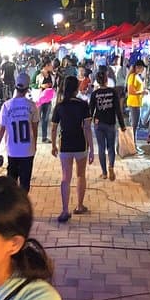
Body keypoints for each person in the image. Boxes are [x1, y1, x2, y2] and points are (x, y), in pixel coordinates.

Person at [49, 76, 93, 223]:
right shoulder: (83, 105)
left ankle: (64, 210)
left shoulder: (60, 106)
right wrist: (92, 148)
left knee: (65, 177)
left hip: (65, 145)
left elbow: (54, 128)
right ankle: (79, 206)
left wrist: (53, 145)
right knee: (81, 175)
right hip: (80, 143)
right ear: (76, 89)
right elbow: (87, 128)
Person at [0, 72, 39, 192]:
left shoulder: (7, 106)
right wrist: (35, 145)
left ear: (15, 87)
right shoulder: (32, 106)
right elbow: (35, 128)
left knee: (11, 183)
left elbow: (1, 129)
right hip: (27, 149)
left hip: (12, 149)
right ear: (27, 89)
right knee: (25, 183)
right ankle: (23, 203)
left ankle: (11, 203)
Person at [90, 70, 126, 181]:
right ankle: (111, 166)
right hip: (110, 123)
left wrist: (90, 121)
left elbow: (90, 111)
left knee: (101, 147)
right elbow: (118, 110)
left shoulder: (95, 94)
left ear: (97, 81)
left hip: (99, 123)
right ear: (106, 80)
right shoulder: (113, 92)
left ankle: (104, 173)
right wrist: (122, 125)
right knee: (111, 147)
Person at [126, 59, 147, 146]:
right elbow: (131, 91)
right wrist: (142, 92)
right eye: (142, 68)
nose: (143, 70)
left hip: (137, 103)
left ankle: (133, 143)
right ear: (138, 67)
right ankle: (132, 143)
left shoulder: (137, 76)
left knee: (135, 124)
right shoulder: (132, 76)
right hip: (133, 103)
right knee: (134, 125)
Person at [36, 74, 54, 143]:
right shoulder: (38, 74)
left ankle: (44, 137)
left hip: (48, 100)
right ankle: (34, 136)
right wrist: (41, 86)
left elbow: (55, 86)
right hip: (39, 100)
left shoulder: (52, 76)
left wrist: (51, 86)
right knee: (36, 119)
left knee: (45, 120)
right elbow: (32, 84)